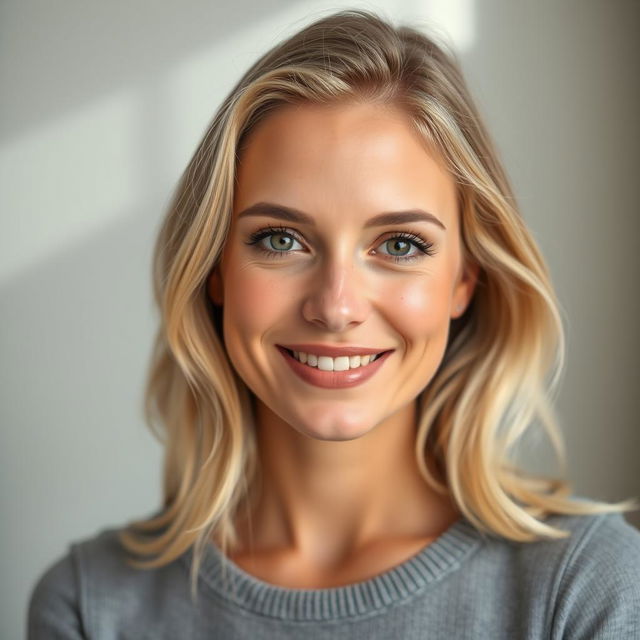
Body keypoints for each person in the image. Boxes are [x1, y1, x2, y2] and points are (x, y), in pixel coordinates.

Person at [28, 9, 640, 639]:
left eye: (400, 245)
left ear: (465, 279)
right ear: (215, 268)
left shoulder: (588, 589)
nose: (336, 305)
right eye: (280, 238)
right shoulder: (89, 605)